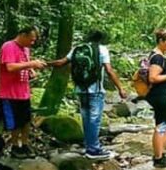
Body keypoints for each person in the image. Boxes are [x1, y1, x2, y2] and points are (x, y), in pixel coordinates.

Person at [49, 29, 127, 159]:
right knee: (94, 120)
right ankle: (94, 149)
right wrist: (120, 88)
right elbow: (109, 70)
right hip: (95, 90)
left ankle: (88, 145)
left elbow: (61, 62)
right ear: (101, 38)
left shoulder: (78, 48)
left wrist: (43, 64)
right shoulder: (102, 49)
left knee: (86, 118)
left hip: (81, 89)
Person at [0, 26, 47, 158]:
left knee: (26, 120)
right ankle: (14, 146)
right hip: (9, 93)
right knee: (15, 122)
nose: (32, 43)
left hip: (23, 92)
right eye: (31, 39)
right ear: (22, 35)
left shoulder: (26, 49)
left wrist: (31, 70)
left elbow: (24, 64)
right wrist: (31, 64)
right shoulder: (8, 46)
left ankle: (24, 144)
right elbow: (10, 66)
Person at [145, 28, 166, 167]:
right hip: (159, 96)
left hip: (160, 94)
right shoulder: (157, 58)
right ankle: (158, 156)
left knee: (162, 123)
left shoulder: (157, 56)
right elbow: (153, 78)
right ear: (161, 41)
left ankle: (159, 155)